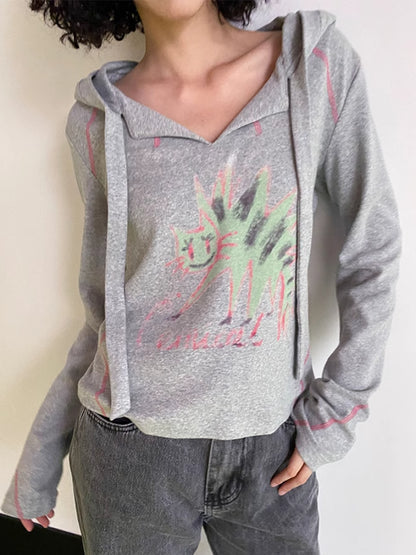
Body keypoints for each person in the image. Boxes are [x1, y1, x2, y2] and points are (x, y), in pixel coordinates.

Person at [2, 1, 402, 553]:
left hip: (276, 452)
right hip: (129, 456)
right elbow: (102, 316)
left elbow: (374, 246)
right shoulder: (99, 121)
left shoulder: (313, 68)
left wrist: (338, 412)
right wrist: (43, 451)